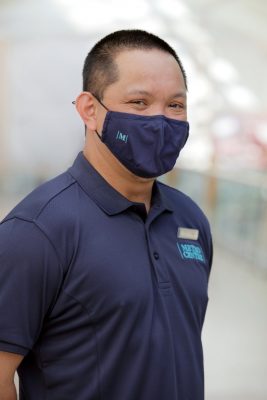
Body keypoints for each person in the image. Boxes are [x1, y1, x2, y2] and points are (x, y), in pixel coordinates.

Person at [0, 29, 213, 400]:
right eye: (139, 102)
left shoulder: (189, 219)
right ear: (90, 109)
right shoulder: (37, 231)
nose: (161, 121)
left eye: (175, 106)